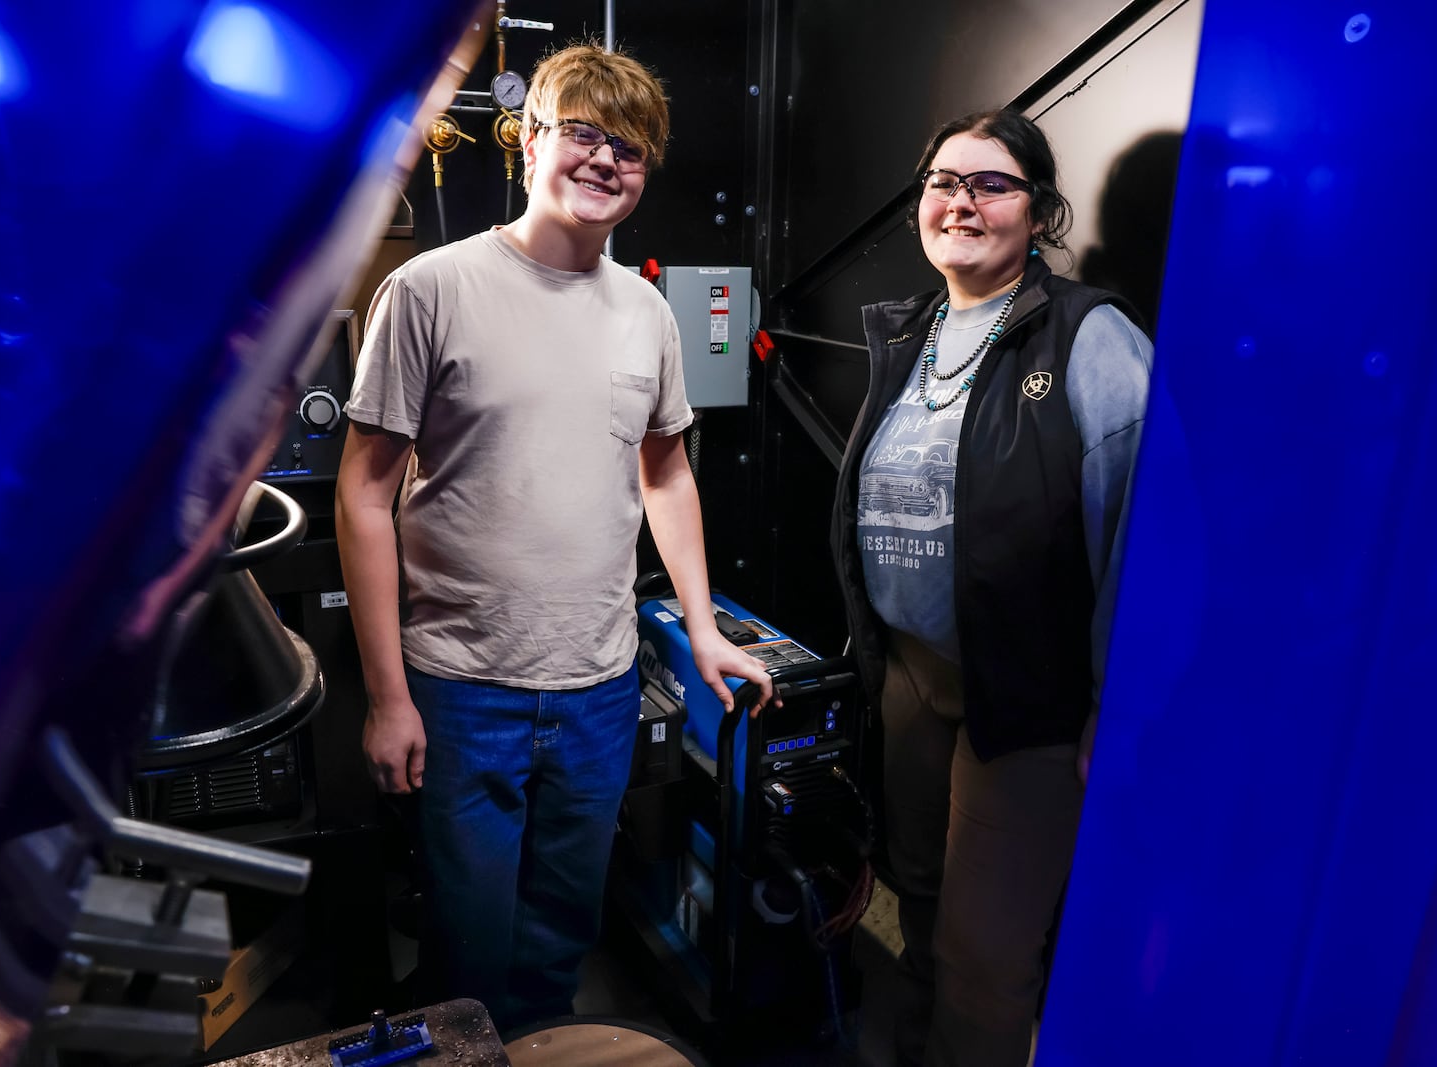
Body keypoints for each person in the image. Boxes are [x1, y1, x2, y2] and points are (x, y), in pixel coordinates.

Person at [335, 42, 774, 1033]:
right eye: (583, 133)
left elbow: (664, 469)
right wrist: (389, 696)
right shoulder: (431, 289)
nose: (605, 160)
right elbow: (363, 497)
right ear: (529, 140)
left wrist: (701, 627)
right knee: (466, 949)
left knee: (557, 940)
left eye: (630, 147)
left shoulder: (647, 315)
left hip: (598, 686)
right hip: (459, 685)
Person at [830, 109, 1153, 1067]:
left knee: (984, 952)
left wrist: (1113, 707)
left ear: (1041, 211)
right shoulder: (916, 330)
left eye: (990, 183)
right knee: (916, 893)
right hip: (914, 674)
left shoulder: (1091, 338)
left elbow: (1143, 537)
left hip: (1028, 698)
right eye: (943, 181)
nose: (960, 200)